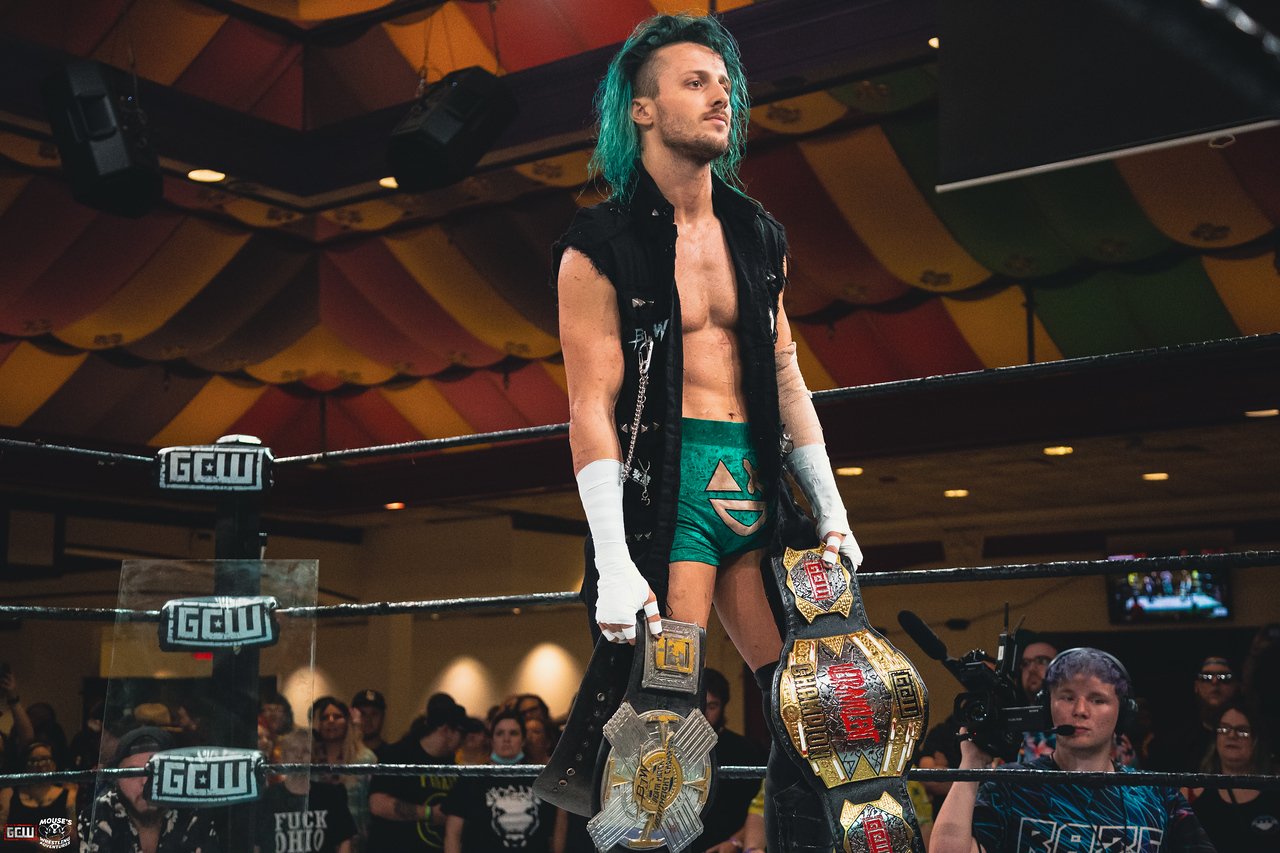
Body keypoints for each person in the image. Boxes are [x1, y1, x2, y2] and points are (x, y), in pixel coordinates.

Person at [555, 11, 861, 837]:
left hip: (760, 487)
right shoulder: (599, 243)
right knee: (662, 726)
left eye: (725, 84)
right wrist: (613, 560)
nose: (720, 97)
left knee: (810, 709)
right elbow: (589, 405)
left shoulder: (758, 235)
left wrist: (832, 507)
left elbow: (787, 373)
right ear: (643, 109)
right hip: (671, 494)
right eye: (695, 83)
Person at [930, 648, 1217, 853]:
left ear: (1123, 714)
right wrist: (971, 764)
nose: (1080, 710)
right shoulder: (1010, 785)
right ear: (1047, 708)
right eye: (1067, 697)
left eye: (1097, 700)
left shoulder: (1157, 793)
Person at [77, 726, 219, 853]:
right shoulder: (99, 814)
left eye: (156, 772)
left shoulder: (195, 812)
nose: (145, 782)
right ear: (117, 780)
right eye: (132, 773)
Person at [442, 710, 555, 852]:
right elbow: (453, 834)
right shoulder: (471, 778)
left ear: (523, 740)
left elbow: (552, 836)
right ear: (491, 739)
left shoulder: (541, 780)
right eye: (500, 733)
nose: (506, 739)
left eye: (513, 733)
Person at [368, 693, 466, 852]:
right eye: (462, 734)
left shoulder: (452, 765)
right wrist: (429, 813)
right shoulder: (398, 754)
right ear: (447, 731)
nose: (462, 742)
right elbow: (378, 804)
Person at [1189, 703, 1278, 851]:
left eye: (1242, 731)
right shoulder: (1195, 797)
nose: (1231, 735)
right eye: (1224, 729)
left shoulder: (1275, 793)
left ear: (1256, 740)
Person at [695, 668, 767, 849]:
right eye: (698, 705)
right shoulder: (670, 750)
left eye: (712, 706)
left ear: (723, 706)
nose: (704, 713)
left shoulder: (747, 751)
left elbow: (761, 808)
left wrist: (735, 841)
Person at [256, 729, 356, 853]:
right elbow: (256, 845)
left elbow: (345, 841)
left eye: (306, 751)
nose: (299, 755)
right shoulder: (267, 798)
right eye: (293, 750)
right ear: (283, 757)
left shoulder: (331, 795)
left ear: (313, 758)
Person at [1149, 656, 1240, 772]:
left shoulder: (1251, 737)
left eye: (1224, 677)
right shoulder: (1176, 740)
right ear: (1196, 686)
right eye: (1206, 677)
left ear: (1236, 685)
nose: (1215, 682)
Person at [310, 697, 376, 852]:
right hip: (317, 840)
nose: (331, 721)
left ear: (347, 721)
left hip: (357, 841)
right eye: (324, 718)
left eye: (337, 716)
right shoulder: (310, 760)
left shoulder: (365, 759)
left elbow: (370, 804)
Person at [0, 741, 78, 850]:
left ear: (54, 764)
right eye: (34, 761)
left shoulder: (69, 794)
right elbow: (1, 829)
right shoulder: (9, 794)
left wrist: (56, 842)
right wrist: (32, 838)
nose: (41, 765)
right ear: (25, 765)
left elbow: (74, 832)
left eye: (46, 759)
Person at [1014, 634, 1059, 761]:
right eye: (1025, 663)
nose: (1031, 669)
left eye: (1042, 661)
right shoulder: (1011, 724)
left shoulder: (1076, 719)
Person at [350, 690, 388, 758]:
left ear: (383, 716)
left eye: (374, 714)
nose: (368, 719)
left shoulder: (395, 756)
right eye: (362, 714)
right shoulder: (344, 756)